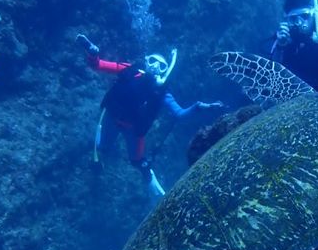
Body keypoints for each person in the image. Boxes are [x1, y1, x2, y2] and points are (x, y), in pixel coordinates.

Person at [77, 34, 223, 197]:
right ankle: (99, 156)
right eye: (153, 61)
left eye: (162, 66)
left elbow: (180, 114)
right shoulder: (128, 69)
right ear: (146, 60)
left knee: (139, 163)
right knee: (103, 148)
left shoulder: (162, 93)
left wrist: (199, 107)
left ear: (165, 71)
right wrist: (92, 52)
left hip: (134, 131)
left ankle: (154, 190)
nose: (155, 67)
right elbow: (97, 65)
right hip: (112, 118)